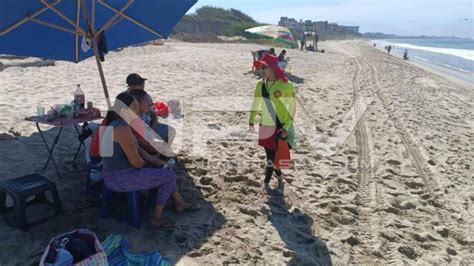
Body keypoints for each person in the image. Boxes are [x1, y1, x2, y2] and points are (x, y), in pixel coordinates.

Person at [101, 92, 194, 228]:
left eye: (137, 106)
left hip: (113, 173)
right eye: (134, 107)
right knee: (169, 176)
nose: (138, 110)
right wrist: (152, 164)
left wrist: (155, 161)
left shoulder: (118, 123)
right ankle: (156, 217)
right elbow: (136, 162)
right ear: (124, 110)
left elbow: (138, 148)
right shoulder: (122, 129)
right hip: (120, 178)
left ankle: (179, 203)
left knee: (165, 169)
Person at [249, 53, 296, 195]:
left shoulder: (286, 85)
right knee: (270, 155)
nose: (261, 70)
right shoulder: (260, 85)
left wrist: (287, 128)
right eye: (260, 67)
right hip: (265, 124)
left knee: (272, 156)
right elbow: (256, 103)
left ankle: (266, 182)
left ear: (273, 68)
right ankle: (280, 176)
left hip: (280, 125)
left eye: (264, 67)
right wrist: (251, 119)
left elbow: (292, 109)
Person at [126, 73, 176, 156]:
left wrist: (152, 127)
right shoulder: (125, 98)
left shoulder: (146, 96)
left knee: (171, 131)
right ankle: (151, 153)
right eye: (140, 84)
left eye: (143, 83)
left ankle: (161, 154)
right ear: (131, 86)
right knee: (149, 144)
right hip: (135, 129)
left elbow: (153, 114)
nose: (143, 86)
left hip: (149, 124)